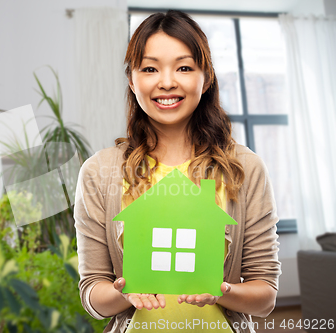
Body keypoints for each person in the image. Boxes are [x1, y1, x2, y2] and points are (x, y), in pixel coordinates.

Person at [74, 10, 281, 333]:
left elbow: (265, 296)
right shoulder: (100, 172)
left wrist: (222, 291)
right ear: (132, 79)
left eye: (184, 67)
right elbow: (92, 294)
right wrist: (123, 293)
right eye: (150, 68)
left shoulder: (245, 168)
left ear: (206, 77)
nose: (167, 82)